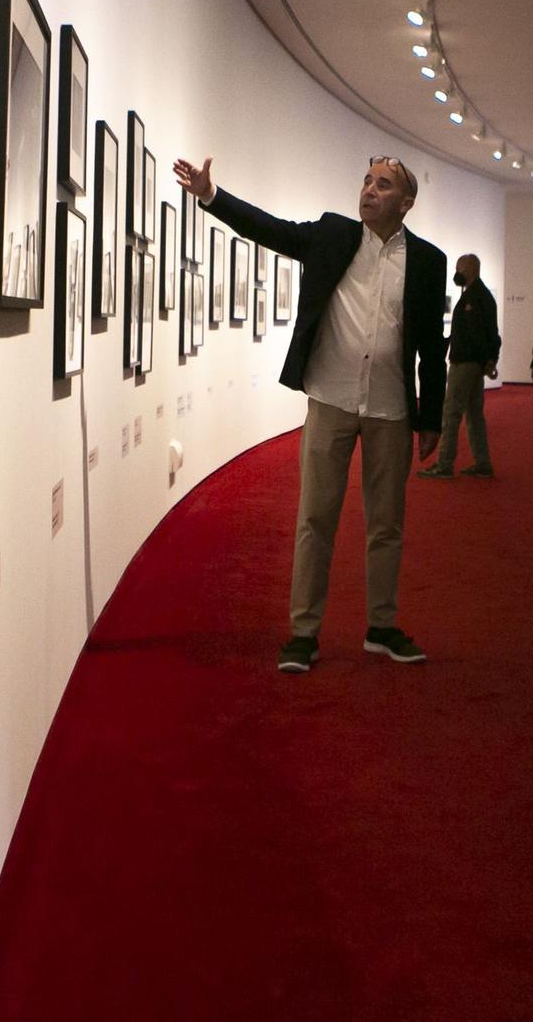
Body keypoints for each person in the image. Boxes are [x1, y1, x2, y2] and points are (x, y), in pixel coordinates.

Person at [173, 153, 446, 673]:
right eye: (366, 180)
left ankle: (381, 626)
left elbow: (433, 347)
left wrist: (429, 417)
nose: (369, 190)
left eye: (383, 185)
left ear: (406, 203)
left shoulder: (428, 262)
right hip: (330, 397)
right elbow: (270, 230)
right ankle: (303, 633)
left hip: (390, 407)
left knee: (386, 523)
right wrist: (212, 196)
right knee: (315, 519)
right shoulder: (331, 235)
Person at [419, 252, 498, 479]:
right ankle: (482, 463)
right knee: (474, 415)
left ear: (471, 269)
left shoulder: (476, 298)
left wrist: (489, 359)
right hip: (473, 363)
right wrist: (490, 360)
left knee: (451, 413)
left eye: (460, 268)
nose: (457, 272)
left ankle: (444, 464)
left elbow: (484, 334)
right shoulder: (477, 296)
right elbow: (489, 333)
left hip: (464, 363)